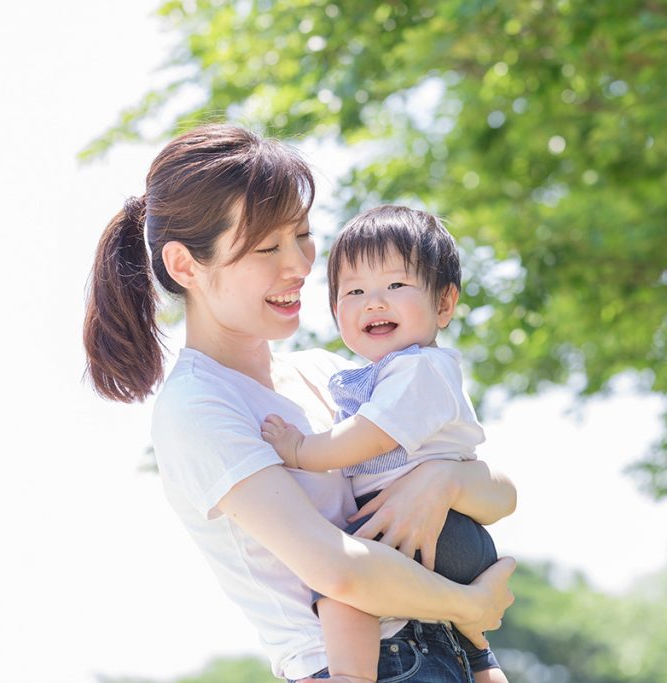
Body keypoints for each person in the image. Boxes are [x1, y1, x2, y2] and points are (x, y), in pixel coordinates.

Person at [83, 124, 516, 683]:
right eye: (268, 247)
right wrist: (469, 606)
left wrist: (446, 482)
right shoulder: (199, 407)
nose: (300, 265)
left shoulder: (330, 373)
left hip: (447, 651)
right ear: (186, 266)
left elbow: (500, 493)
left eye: (303, 235)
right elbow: (337, 570)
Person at [261, 205, 508, 683]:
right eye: (354, 292)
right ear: (336, 313)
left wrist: (299, 450)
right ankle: (483, 662)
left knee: (341, 585)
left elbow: (368, 438)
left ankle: (351, 676)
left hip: (435, 530)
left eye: (395, 285)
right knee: (435, 612)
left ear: (443, 303)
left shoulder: (420, 369)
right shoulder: (390, 374)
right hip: (443, 528)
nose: (374, 302)